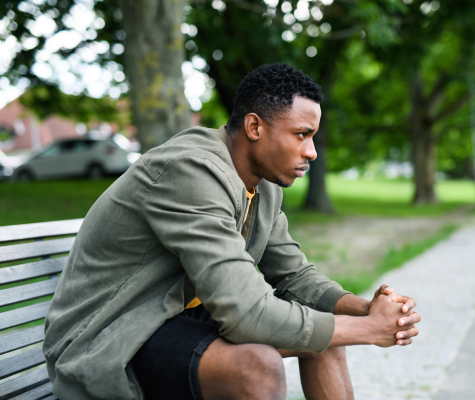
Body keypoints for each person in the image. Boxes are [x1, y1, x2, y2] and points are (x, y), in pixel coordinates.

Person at [43, 63, 421, 400]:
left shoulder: (264, 183)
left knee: (321, 336)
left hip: (174, 318)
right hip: (112, 337)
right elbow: (247, 314)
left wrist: (365, 308)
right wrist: (370, 329)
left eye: (313, 137)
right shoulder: (190, 171)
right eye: (301, 135)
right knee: (258, 367)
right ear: (255, 126)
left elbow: (294, 275)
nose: (312, 152)